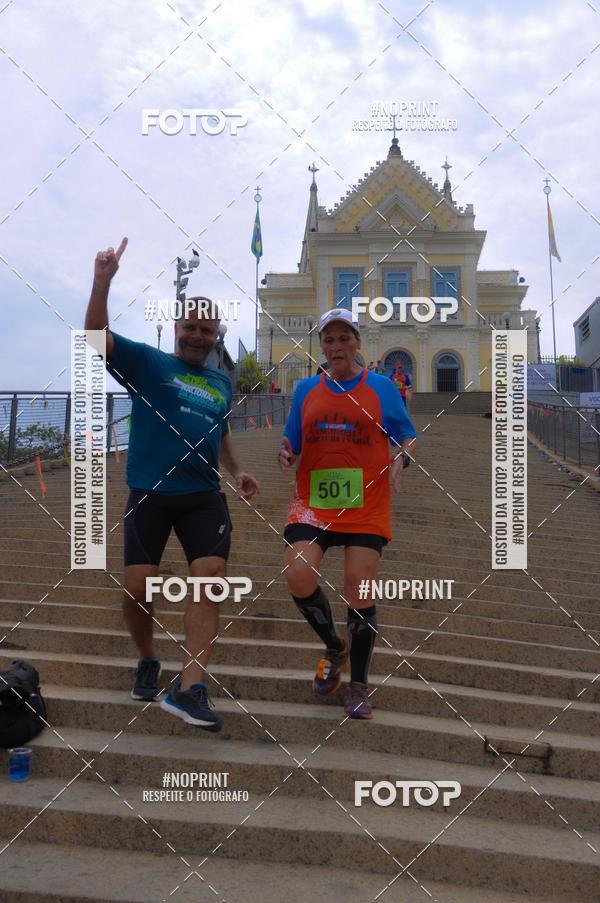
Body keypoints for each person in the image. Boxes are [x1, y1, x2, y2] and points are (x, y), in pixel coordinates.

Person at [84, 237, 259, 732]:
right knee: (138, 588)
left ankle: (191, 687)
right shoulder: (149, 363)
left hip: (204, 496)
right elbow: (96, 336)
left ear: (217, 335)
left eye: (207, 330)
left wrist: (237, 470)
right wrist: (102, 283)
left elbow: (219, 430)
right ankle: (147, 657)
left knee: (210, 576)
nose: (197, 337)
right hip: (150, 493)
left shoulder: (222, 382)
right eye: (190, 328)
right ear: (177, 329)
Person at [278, 309, 416, 720]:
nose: (336, 346)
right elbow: (292, 438)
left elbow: (405, 435)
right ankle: (333, 647)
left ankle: (358, 684)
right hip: (314, 501)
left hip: (365, 501)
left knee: (359, 586)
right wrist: (286, 452)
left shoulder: (381, 387)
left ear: (357, 343)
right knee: (298, 573)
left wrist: (401, 459)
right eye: (329, 340)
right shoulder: (306, 388)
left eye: (344, 338)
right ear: (322, 345)